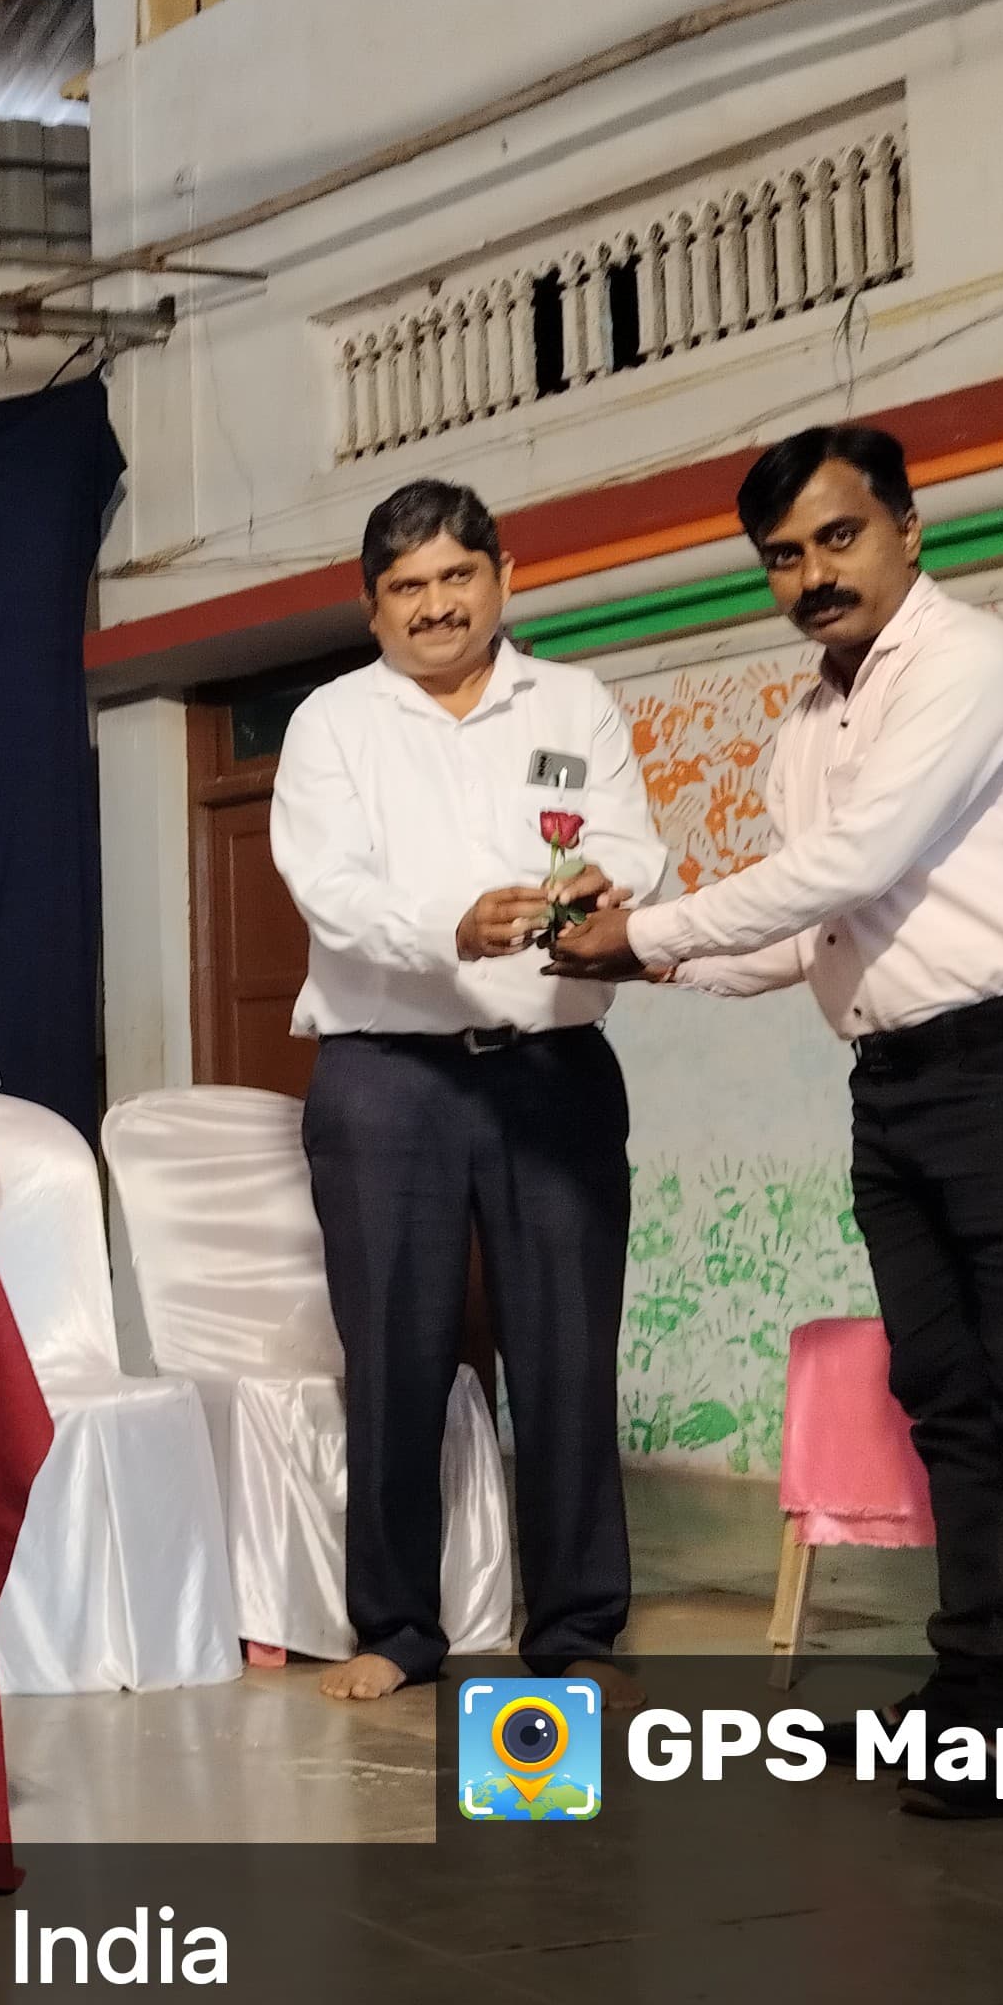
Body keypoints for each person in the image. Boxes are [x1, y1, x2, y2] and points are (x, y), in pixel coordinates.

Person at [557, 424, 1003, 1820]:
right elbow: (812, 927)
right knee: (946, 1393)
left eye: (838, 536)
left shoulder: (972, 663)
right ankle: (972, 1681)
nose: (813, 573)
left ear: (907, 532)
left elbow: (856, 860)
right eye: (783, 557)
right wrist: (627, 950)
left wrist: (650, 931)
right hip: (898, 1078)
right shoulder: (806, 728)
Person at [270, 481, 666, 1707]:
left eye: (455, 576)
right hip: (386, 1074)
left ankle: (578, 1626)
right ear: (371, 607)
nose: (434, 605)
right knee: (393, 1357)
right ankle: (395, 1630)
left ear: (502, 578)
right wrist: (449, 925)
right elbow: (326, 884)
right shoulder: (332, 722)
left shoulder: (573, 702)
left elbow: (633, 844)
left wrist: (602, 886)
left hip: (551, 1070)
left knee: (568, 1350)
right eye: (406, 587)